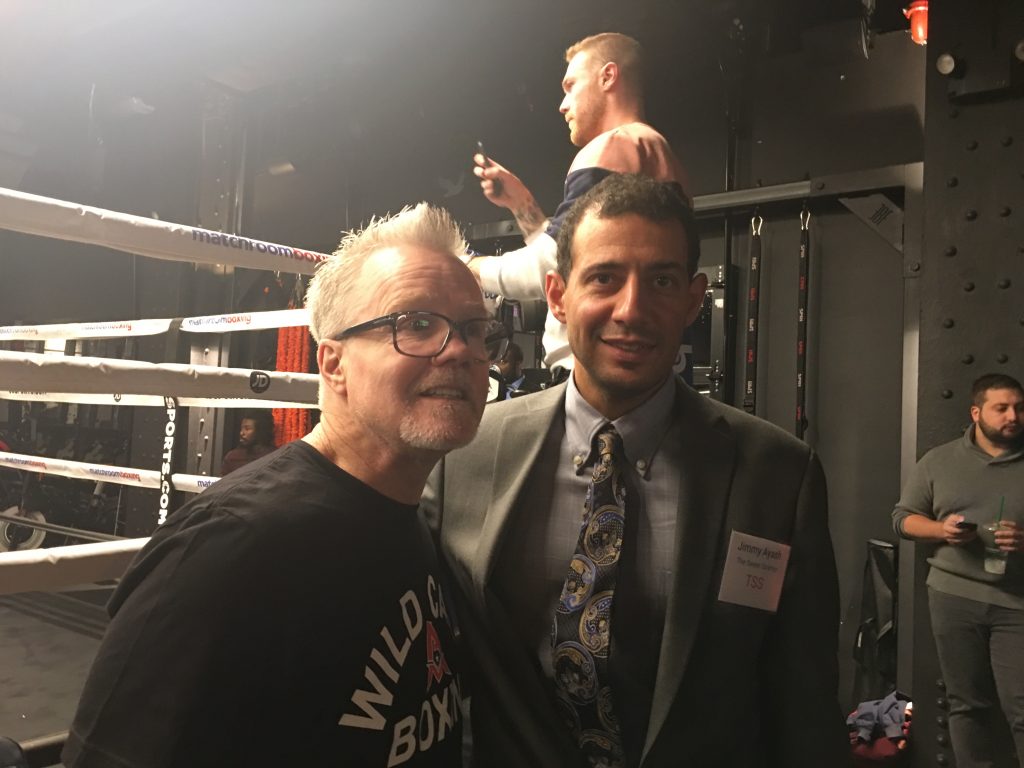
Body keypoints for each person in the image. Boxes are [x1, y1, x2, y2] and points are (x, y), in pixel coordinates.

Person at [63, 203, 509, 768]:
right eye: (417, 325)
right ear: (334, 364)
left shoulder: (409, 517)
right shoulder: (232, 546)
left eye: (474, 330)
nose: (462, 351)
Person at [423, 174, 847, 767]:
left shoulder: (777, 475)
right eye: (604, 278)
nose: (632, 309)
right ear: (558, 295)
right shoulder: (465, 454)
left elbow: (805, 699)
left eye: (662, 281)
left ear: (693, 301)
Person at [468, 32, 688, 378]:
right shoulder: (663, 156)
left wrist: (466, 266)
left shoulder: (612, 146)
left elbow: (552, 269)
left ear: (608, 76)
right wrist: (521, 203)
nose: (562, 104)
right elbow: (578, 256)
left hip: (587, 373)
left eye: (570, 86)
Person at [893, 373, 1024, 767]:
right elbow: (902, 519)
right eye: (1001, 408)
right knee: (967, 704)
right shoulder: (940, 460)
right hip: (954, 596)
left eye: (1019, 408)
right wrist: (943, 531)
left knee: (1021, 705)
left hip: (1017, 601)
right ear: (976, 412)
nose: (1013, 416)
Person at [219, 410, 275, 475]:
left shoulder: (275, 457)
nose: (241, 433)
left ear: (260, 431)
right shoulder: (232, 457)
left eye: (247, 429)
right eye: (241, 429)